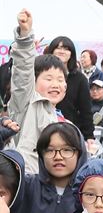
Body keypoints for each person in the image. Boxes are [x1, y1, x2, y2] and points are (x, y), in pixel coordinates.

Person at [9, 9, 67, 174]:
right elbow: (22, 74)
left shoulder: (63, 120)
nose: (55, 84)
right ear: (33, 81)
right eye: (48, 79)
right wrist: (26, 37)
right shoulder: (27, 104)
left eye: (60, 80)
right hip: (27, 184)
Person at [45, 37, 94, 141]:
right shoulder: (41, 75)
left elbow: (86, 110)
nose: (62, 51)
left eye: (66, 49)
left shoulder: (79, 78)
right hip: (43, 127)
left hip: (69, 131)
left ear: (71, 53)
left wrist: (89, 136)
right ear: (51, 50)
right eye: (58, 48)